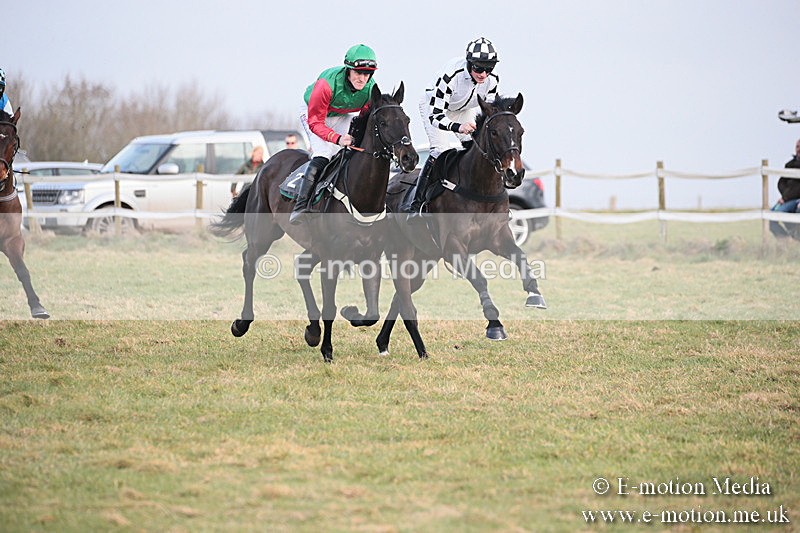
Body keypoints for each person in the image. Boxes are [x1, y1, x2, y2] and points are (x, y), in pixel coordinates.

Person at [405, 37, 501, 220]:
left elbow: (488, 113)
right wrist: (458, 127)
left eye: (488, 69)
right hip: (435, 108)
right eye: (478, 68)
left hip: (463, 110)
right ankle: (416, 205)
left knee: (477, 148)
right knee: (440, 150)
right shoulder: (452, 76)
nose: (483, 74)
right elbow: (435, 116)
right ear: (469, 63)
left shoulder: (493, 80)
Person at [290, 44, 378, 224]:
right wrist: (337, 138)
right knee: (324, 153)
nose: (362, 78)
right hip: (314, 114)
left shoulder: (371, 89)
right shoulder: (326, 85)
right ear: (348, 69)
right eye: (358, 72)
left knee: (352, 150)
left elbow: (363, 119)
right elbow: (315, 123)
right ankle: (301, 205)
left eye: (367, 74)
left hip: (340, 114)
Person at [769, 138, 800, 240]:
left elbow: (797, 188)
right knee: (770, 216)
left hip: (795, 199)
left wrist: (786, 197)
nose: (798, 149)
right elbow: (781, 182)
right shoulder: (789, 164)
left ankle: (796, 237)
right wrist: (785, 196)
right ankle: (786, 240)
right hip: (787, 198)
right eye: (797, 147)